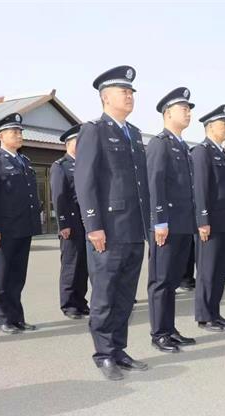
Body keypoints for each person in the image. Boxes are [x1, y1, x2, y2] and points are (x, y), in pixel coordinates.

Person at [74, 65, 150, 381]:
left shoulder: (133, 133)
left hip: (133, 228)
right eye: (124, 91)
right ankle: (104, 354)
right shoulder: (93, 130)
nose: (130, 96)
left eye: (131, 92)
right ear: (106, 97)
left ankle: (119, 349)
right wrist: (93, 225)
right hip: (108, 228)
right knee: (105, 294)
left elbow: (141, 184)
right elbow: (85, 180)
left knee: (125, 296)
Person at [146, 87, 198, 353]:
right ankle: (159, 333)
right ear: (168, 113)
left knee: (173, 280)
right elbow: (155, 184)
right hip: (166, 225)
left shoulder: (182, 147)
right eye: (183, 109)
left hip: (183, 223)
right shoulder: (160, 144)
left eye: (189, 109)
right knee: (162, 280)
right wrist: (159, 221)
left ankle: (169, 328)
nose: (188, 113)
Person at [0, 113, 42, 334]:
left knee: (17, 276)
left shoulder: (24, 161)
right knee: (0, 276)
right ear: (1, 136)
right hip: (5, 229)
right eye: (14, 132)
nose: (19, 135)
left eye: (20, 132)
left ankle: (17, 318)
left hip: (23, 227)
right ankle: (2, 319)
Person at [192, 105, 225, 332]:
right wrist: (203, 220)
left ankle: (215, 313)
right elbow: (200, 188)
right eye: (223, 124)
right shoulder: (202, 151)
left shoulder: (221, 153)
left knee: (219, 271)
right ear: (210, 127)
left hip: (224, 222)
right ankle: (204, 316)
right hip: (210, 223)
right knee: (208, 271)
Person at [50, 124, 89, 320]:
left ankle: (81, 302)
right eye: (77, 141)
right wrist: (63, 224)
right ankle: (69, 304)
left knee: (83, 265)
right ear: (68, 144)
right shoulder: (60, 166)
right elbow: (58, 197)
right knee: (71, 265)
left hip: (87, 223)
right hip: (71, 223)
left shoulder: (85, 164)